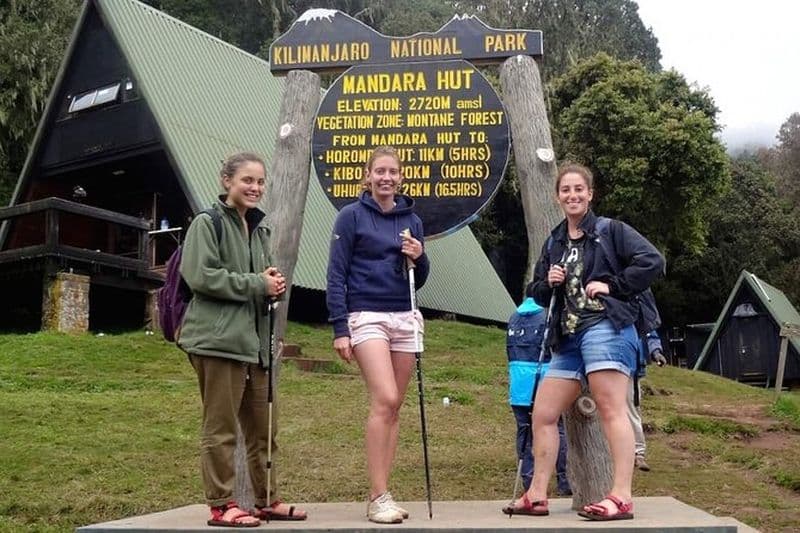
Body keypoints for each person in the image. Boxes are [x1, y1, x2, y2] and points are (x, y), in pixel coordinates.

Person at [505, 163, 664, 521]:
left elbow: (652, 261)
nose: (573, 195)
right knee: (543, 414)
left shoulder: (611, 231)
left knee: (611, 408)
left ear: (590, 194)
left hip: (607, 327)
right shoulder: (555, 241)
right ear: (558, 196)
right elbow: (538, 293)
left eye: (579, 189)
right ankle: (536, 495)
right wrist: (549, 281)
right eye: (566, 190)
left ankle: (621, 497)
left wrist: (614, 286)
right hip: (568, 337)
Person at [179, 152, 307, 527]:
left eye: (260, 182)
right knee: (220, 429)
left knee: (265, 427)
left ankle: (266, 500)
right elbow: (201, 277)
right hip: (217, 342)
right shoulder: (207, 223)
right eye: (247, 180)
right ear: (227, 182)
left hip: (255, 345)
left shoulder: (260, 229)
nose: (255, 188)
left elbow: (260, 284)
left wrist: (273, 287)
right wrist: (257, 284)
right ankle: (221, 506)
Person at [326, 146, 430, 524]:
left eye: (393, 172)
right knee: (384, 398)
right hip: (365, 314)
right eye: (380, 171)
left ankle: (382, 493)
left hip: (404, 313)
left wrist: (419, 255)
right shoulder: (350, 217)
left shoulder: (412, 220)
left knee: (394, 407)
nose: (386, 178)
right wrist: (340, 327)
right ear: (368, 176)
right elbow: (336, 274)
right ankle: (377, 496)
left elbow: (421, 276)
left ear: (401, 177)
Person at [504, 297, 571, 502]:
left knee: (524, 431)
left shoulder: (513, 317)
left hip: (519, 383)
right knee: (555, 428)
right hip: (545, 379)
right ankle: (564, 480)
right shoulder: (549, 315)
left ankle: (528, 481)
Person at [629, 330, 667, 472]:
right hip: (610, 364)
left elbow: (649, 332)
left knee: (631, 410)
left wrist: (655, 352)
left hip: (631, 368)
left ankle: (638, 452)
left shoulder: (636, 309)